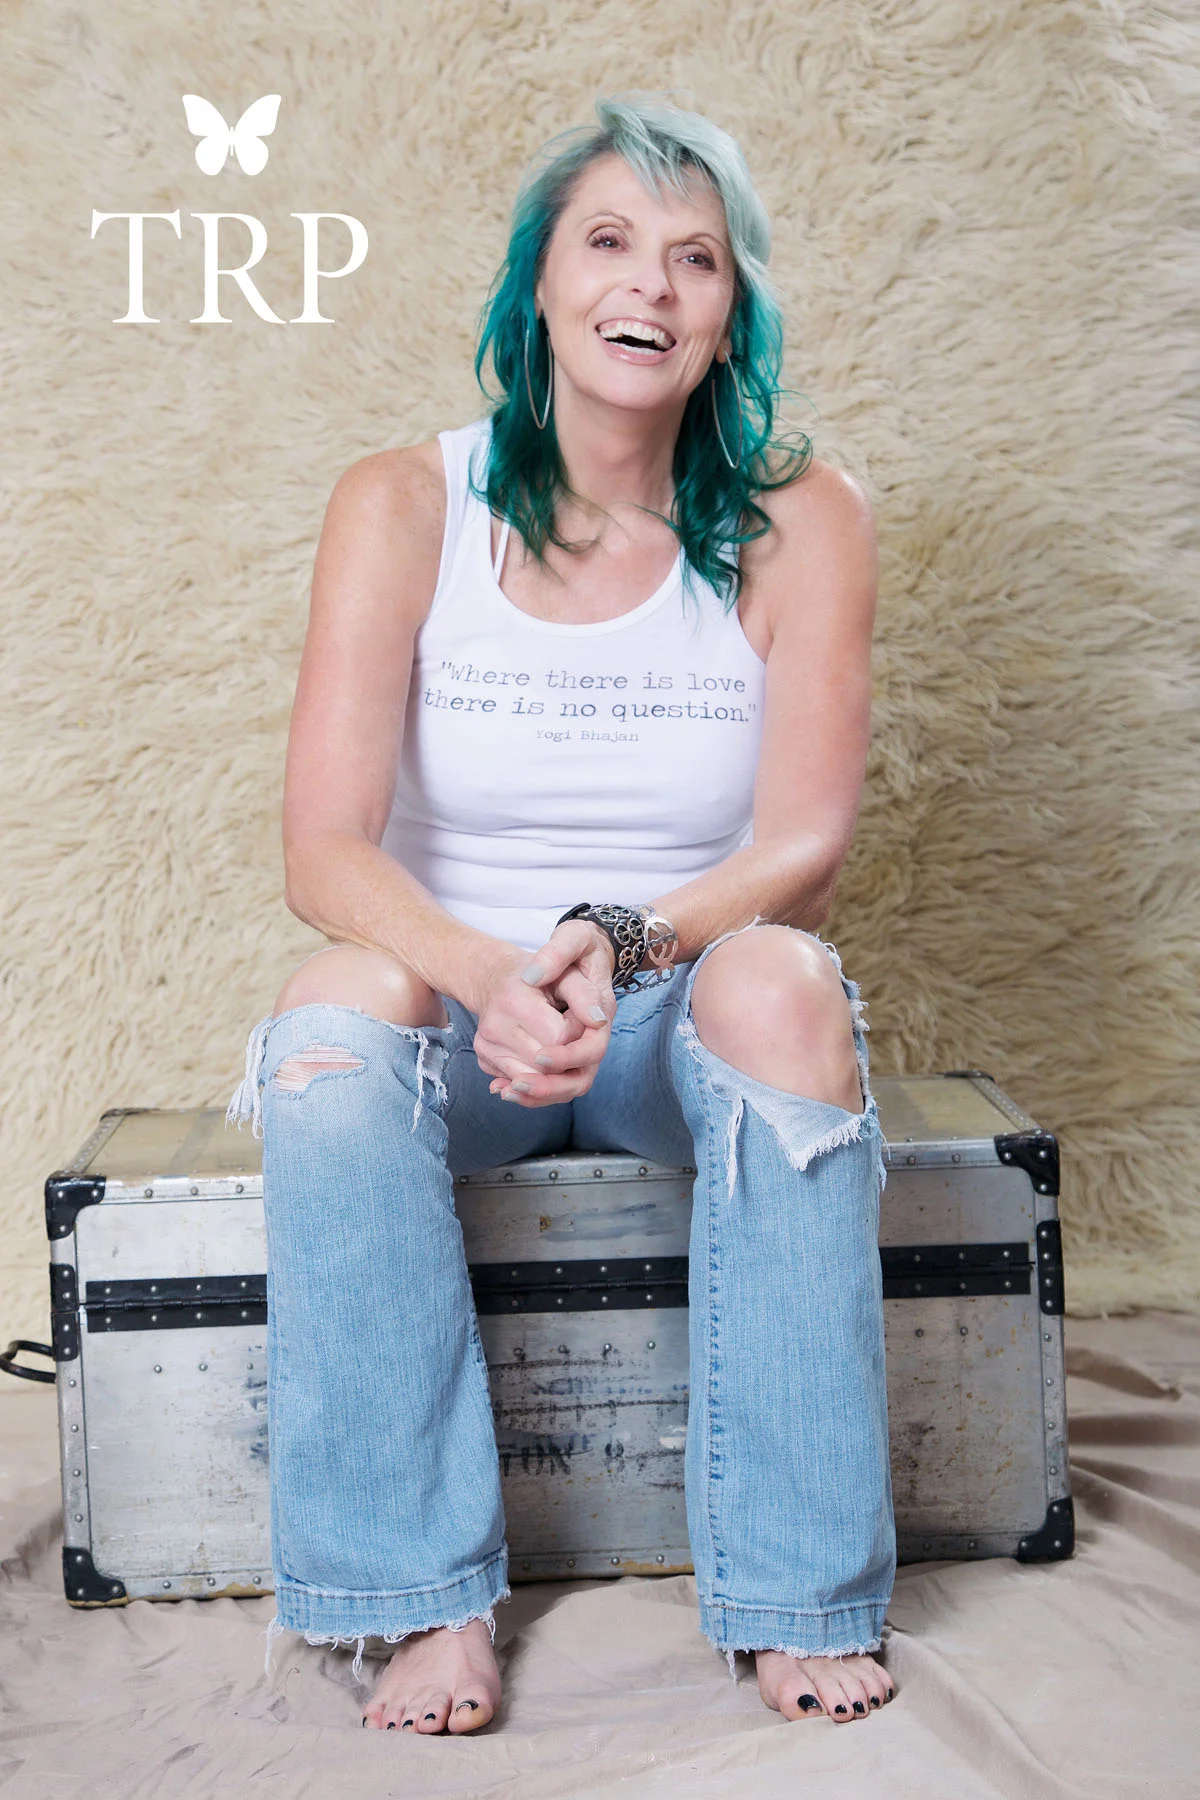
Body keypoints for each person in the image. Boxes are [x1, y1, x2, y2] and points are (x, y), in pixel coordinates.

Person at [227, 92, 895, 1736]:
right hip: (464, 1012)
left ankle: (800, 1593)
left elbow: (807, 845)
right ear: (540, 281)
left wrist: (623, 941)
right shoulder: (405, 502)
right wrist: (488, 973)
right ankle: (422, 1597)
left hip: (670, 1006)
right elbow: (324, 847)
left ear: (731, 311)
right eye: (609, 242)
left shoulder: (806, 520)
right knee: (329, 1019)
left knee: (789, 984)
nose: (649, 285)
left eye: (696, 258)